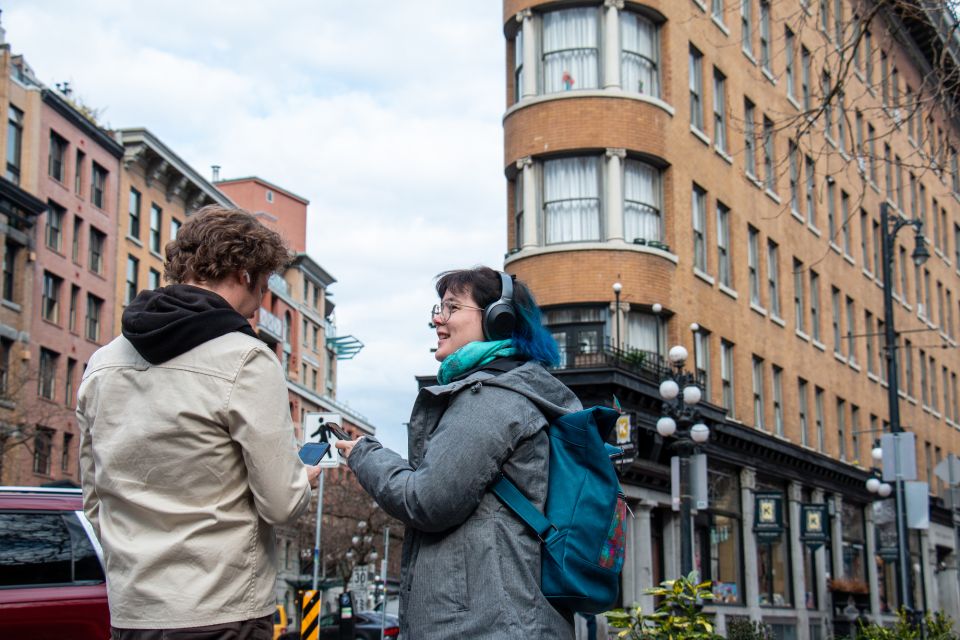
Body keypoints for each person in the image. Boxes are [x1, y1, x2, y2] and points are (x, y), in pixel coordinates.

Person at [77, 205, 321, 639]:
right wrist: (303, 478)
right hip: (221, 609)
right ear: (246, 274)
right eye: (264, 285)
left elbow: (95, 498)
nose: (259, 300)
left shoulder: (102, 363)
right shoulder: (245, 359)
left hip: (133, 612)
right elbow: (280, 503)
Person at [336, 266, 581, 639]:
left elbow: (427, 500)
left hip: (486, 626)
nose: (438, 320)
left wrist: (363, 454)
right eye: (437, 308)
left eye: (451, 308)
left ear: (500, 319)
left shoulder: (492, 400)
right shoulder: (515, 393)